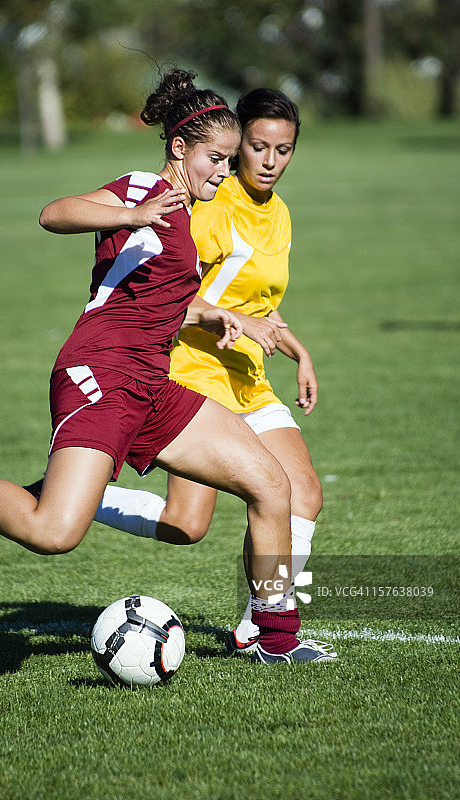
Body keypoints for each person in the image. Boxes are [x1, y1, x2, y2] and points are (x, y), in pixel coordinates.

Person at [0, 69, 330, 665]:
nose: (225, 171)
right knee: (53, 534)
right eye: (216, 159)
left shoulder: (193, 219)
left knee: (273, 485)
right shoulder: (142, 187)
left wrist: (225, 316)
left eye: (227, 160)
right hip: (100, 373)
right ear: (179, 149)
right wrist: (127, 216)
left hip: (154, 383)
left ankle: (276, 638)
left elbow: (163, 298)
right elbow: (54, 212)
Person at [88, 87, 335, 664]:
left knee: (304, 493)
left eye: (285, 149)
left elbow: (255, 299)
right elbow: (173, 290)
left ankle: (260, 627)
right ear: (234, 144)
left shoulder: (279, 214)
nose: (271, 160)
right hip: (194, 369)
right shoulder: (209, 207)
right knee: (185, 523)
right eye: (258, 146)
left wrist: (296, 346)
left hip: (245, 373)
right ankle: (72, 496)